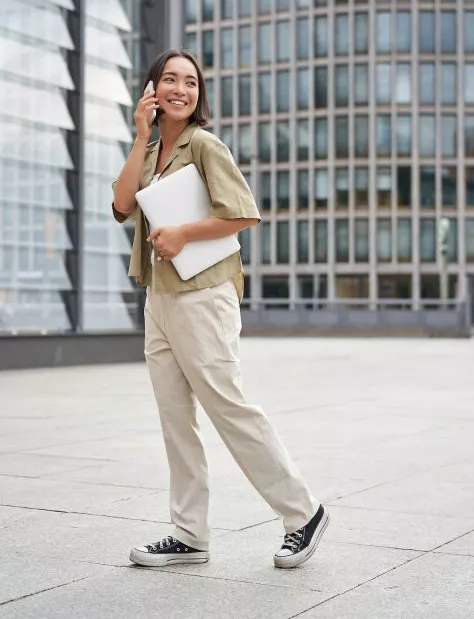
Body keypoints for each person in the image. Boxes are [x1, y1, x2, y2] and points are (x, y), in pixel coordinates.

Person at [112, 49, 329, 570]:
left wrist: (185, 232)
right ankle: (189, 534)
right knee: (175, 419)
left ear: (198, 94)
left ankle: (303, 514)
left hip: (204, 294)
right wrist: (141, 135)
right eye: (169, 80)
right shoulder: (149, 150)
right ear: (152, 90)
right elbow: (121, 206)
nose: (180, 89)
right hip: (159, 297)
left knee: (227, 407)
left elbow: (243, 214)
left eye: (190, 81)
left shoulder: (205, 145)